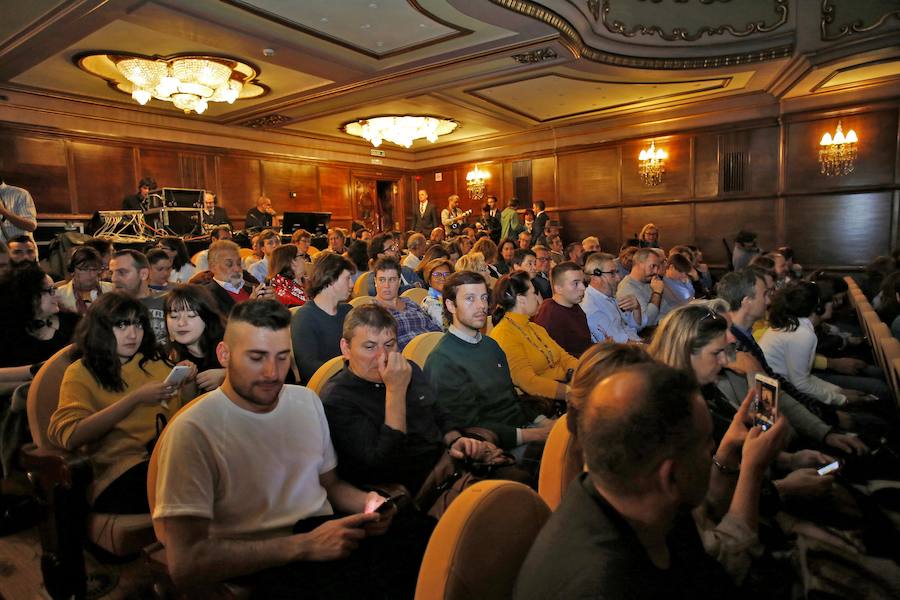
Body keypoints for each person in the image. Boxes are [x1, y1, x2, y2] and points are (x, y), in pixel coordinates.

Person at [152, 300, 426, 598]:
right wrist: (305, 546)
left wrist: (368, 503)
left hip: (323, 534)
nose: (272, 372)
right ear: (224, 355)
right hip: (264, 563)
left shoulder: (305, 401)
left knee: (427, 541)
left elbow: (330, 486)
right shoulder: (193, 431)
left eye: (282, 357)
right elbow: (186, 563)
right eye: (257, 358)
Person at [516, 363, 777, 600]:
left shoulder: (624, 495)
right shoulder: (605, 585)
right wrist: (752, 471)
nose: (713, 449)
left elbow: (708, 572)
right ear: (670, 476)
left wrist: (729, 453)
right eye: (708, 443)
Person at [321, 303, 506, 500]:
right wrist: (395, 391)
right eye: (369, 347)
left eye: (389, 345)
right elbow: (382, 464)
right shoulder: (338, 399)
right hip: (416, 491)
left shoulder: (408, 368)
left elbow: (439, 413)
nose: (382, 357)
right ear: (346, 348)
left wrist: (456, 440)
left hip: (450, 462)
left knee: (518, 479)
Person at [48, 292, 194, 513]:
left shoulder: (152, 361)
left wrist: (188, 381)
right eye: (121, 325)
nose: (132, 334)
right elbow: (70, 435)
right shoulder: (81, 372)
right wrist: (134, 400)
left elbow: (184, 415)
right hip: (120, 472)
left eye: (137, 324)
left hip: (168, 458)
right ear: (101, 329)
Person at [716, 269, 867, 455]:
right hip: (777, 446)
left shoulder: (744, 338)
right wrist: (812, 437)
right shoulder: (733, 348)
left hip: (784, 435)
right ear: (746, 302)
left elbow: (775, 389)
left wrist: (824, 429)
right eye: (765, 294)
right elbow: (765, 415)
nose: (770, 301)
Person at [424, 271, 555, 472]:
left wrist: (543, 422)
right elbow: (469, 426)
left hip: (523, 427)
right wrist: (536, 434)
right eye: (470, 299)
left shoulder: (490, 345)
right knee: (560, 457)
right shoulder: (442, 361)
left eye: (484, 297)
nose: (481, 306)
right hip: (494, 446)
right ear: (451, 306)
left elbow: (510, 398)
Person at [488, 272, 577, 402]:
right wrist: (570, 393)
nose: (538, 298)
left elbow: (565, 358)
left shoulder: (535, 328)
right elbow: (528, 382)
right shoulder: (504, 334)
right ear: (521, 299)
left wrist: (584, 373)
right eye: (534, 293)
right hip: (546, 403)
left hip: (568, 388)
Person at [0, 261, 80, 368]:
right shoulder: (7, 332)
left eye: (54, 289)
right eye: (49, 290)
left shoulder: (74, 322)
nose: (56, 295)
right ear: (29, 296)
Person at [291, 253, 354, 382]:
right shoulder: (304, 318)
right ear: (330, 280)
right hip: (327, 388)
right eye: (347, 278)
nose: (352, 284)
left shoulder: (348, 311)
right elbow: (308, 368)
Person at [164, 284, 227, 393]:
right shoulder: (169, 358)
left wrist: (226, 375)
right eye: (174, 316)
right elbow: (184, 406)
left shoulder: (228, 343)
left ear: (207, 317)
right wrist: (188, 381)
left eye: (191, 315)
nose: (181, 323)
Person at [372, 257, 440, 350]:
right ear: (375, 281)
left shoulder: (410, 303)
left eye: (392, 279)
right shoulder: (372, 311)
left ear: (399, 282)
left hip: (433, 349)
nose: (386, 285)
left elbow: (433, 327)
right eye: (382, 280)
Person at [532, 261, 592, 356]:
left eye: (583, 282)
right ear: (558, 289)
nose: (583, 287)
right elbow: (556, 358)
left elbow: (584, 345)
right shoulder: (550, 315)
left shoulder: (573, 305)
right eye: (575, 283)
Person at [109, 249, 167, 346]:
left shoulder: (169, 301)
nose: (114, 279)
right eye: (111, 273)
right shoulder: (107, 307)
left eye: (122, 272)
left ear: (143, 274)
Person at [580, 252, 641, 343]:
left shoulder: (609, 296)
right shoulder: (592, 308)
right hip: (625, 353)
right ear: (596, 276)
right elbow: (620, 345)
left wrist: (637, 308)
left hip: (635, 344)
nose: (618, 278)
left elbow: (634, 326)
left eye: (617, 272)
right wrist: (649, 348)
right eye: (612, 273)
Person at [198, 240, 271, 316]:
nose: (237, 269)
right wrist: (249, 307)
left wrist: (272, 300)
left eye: (239, 263)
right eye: (229, 264)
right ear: (213, 267)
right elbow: (222, 325)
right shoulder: (207, 296)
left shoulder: (249, 282)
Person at [617, 247, 664, 332]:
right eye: (653, 266)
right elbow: (647, 322)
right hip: (648, 333)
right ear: (638, 264)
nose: (656, 271)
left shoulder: (649, 282)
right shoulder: (627, 288)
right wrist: (657, 293)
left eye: (657, 267)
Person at [56, 246, 114, 315]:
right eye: (85, 269)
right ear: (72, 270)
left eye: (94, 269)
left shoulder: (112, 290)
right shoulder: (58, 296)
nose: (91, 275)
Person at [420, 258, 453, 330]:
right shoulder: (431, 302)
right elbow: (445, 328)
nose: (443, 278)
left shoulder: (451, 297)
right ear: (429, 280)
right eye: (437, 275)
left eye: (447, 274)